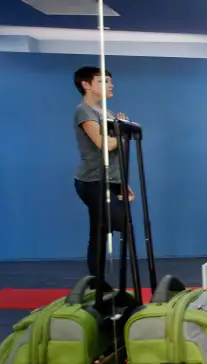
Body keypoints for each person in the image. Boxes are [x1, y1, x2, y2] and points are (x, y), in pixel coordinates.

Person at [72, 66, 134, 278]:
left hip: (110, 179)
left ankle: (97, 283)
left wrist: (121, 183)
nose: (110, 85)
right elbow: (103, 144)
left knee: (98, 233)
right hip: (92, 181)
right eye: (103, 81)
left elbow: (114, 154)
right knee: (119, 222)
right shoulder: (84, 111)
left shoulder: (106, 112)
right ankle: (98, 284)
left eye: (110, 81)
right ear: (86, 85)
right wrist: (123, 134)